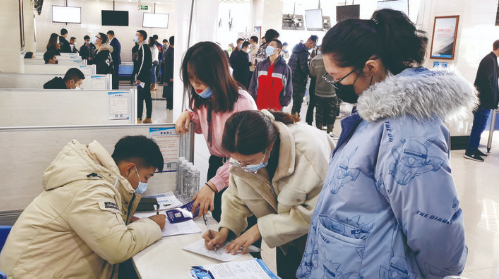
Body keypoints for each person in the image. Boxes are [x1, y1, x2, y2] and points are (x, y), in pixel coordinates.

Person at [297, 9, 472, 279]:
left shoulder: (407, 129)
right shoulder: (374, 116)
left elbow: (433, 230)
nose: (334, 84)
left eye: (337, 77)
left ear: (370, 68)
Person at [0, 136, 165, 279]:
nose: (144, 184)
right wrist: (151, 224)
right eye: (146, 177)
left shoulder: (94, 181)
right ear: (129, 169)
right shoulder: (90, 189)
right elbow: (117, 249)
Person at [203, 110, 335, 279]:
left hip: (322, 236)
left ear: (269, 147)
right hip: (286, 236)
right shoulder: (244, 152)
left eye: (248, 162)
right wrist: (226, 230)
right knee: (287, 273)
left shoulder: (310, 151)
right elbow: (236, 195)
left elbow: (316, 211)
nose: (242, 166)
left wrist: (260, 228)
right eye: (237, 161)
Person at [175, 41, 257, 225]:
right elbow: (204, 124)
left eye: (200, 78)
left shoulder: (242, 103)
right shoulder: (203, 99)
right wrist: (189, 115)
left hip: (241, 171)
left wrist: (214, 184)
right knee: (220, 219)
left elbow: (247, 158)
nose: (195, 84)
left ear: (216, 73)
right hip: (216, 164)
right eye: (190, 77)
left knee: (240, 225)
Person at [464, 41, 499, 162]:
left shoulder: (492, 59)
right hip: (483, 101)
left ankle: (474, 148)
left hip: (485, 101)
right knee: (478, 126)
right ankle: (470, 151)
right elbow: (486, 81)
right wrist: (491, 98)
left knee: (480, 126)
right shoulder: (490, 60)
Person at [249, 39, 292, 111]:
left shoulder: (285, 68)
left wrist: (282, 103)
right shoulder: (260, 66)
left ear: (278, 50)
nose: (268, 47)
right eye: (268, 45)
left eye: (271, 45)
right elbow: (252, 84)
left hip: (276, 108)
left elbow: (288, 89)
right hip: (260, 107)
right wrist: (253, 99)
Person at [309, 46, 338, 136]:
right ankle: (330, 131)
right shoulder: (335, 59)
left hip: (319, 90)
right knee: (331, 112)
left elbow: (312, 74)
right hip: (332, 91)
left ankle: (319, 131)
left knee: (319, 111)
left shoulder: (314, 60)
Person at [288, 35, 318, 116]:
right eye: (313, 45)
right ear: (310, 42)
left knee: (293, 100)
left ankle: (292, 117)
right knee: (297, 102)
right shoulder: (304, 53)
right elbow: (303, 68)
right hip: (300, 81)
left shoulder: (296, 49)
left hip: (291, 79)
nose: (312, 47)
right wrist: (311, 73)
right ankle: (295, 118)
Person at [133, 30, 153, 124]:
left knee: (140, 97)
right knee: (146, 96)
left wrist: (138, 77)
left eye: (137, 35)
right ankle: (148, 117)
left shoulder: (144, 47)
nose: (135, 37)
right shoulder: (141, 47)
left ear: (142, 37)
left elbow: (143, 63)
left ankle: (139, 118)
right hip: (145, 76)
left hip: (143, 78)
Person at [163, 36, 174, 110]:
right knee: (170, 89)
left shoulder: (171, 50)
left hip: (170, 74)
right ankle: (170, 105)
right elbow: (169, 65)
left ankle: (169, 105)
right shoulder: (170, 52)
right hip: (170, 74)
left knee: (170, 89)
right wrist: (171, 77)